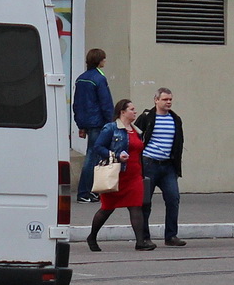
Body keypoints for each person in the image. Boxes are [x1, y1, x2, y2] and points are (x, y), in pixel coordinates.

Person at [85, 99, 157, 252]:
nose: (134, 112)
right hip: (116, 175)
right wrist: (115, 154)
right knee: (107, 208)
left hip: (134, 175)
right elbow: (98, 146)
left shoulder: (135, 130)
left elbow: (138, 151)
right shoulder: (111, 128)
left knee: (136, 206)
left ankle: (140, 242)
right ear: (122, 112)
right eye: (131, 109)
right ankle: (92, 236)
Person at [136, 87, 186, 247]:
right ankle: (144, 237)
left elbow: (179, 142)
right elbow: (135, 137)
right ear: (156, 100)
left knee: (173, 198)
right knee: (145, 202)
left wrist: (176, 164)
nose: (168, 102)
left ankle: (171, 236)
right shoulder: (147, 118)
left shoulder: (175, 119)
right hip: (149, 164)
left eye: (170, 99)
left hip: (168, 166)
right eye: (165, 99)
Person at [72, 48, 114, 203]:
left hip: (87, 122)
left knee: (94, 156)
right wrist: (111, 122)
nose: (105, 61)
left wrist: (80, 125)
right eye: (104, 58)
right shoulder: (99, 78)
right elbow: (106, 103)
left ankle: (91, 191)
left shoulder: (81, 78)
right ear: (100, 60)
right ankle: (84, 192)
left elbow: (77, 104)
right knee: (92, 156)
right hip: (98, 122)